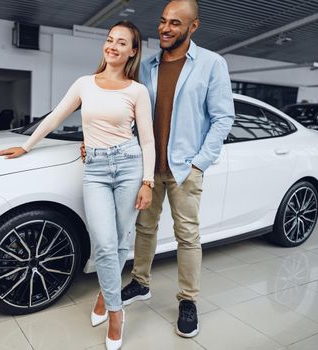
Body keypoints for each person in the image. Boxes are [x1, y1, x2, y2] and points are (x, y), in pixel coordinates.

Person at [0, 21, 156, 350]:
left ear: (132, 51)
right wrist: (26, 146)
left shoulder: (137, 91)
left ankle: (105, 295)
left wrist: (148, 182)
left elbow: (148, 140)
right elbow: (55, 116)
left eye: (121, 42)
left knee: (121, 241)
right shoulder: (85, 84)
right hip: (95, 168)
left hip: (129, 165)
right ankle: (116, 311)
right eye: (109, 40)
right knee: (104, 243)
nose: (112, 46)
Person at [118, 0, 235, 339]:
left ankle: (188, 300)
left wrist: (201, 161)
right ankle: (140, 282)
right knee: (144, 227)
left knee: (187, 235)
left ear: (192, 27)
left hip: (186, 167)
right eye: (163, 21)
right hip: (149, 166)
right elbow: (133, 113)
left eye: (175, 23)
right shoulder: (149, 64)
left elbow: (223, 117)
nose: (165, 28)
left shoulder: (212, 64)